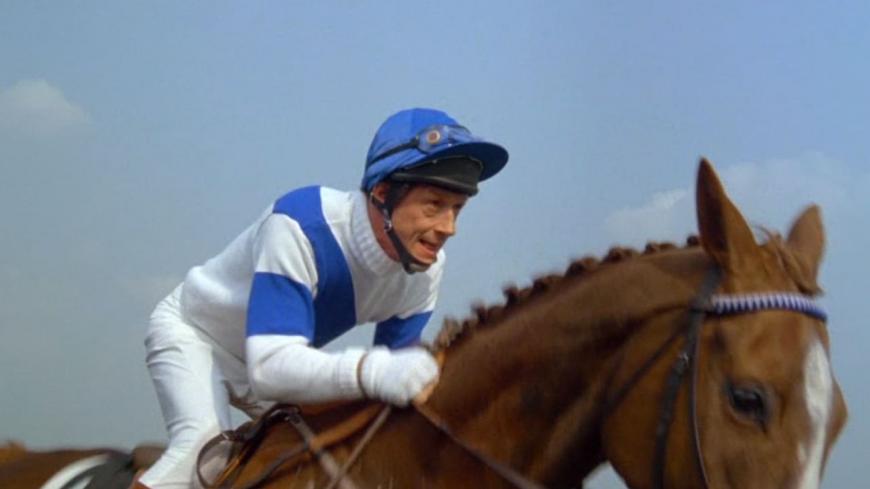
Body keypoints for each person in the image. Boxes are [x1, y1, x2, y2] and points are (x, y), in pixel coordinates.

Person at [135, 108, 509, 488]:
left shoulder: (425, 271)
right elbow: (270, 370)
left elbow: (394, 380)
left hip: (272, 362)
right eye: (434, 205)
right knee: (204, 455)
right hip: (197, 337)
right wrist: (371, 370)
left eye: (457, 208)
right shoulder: (300, 224)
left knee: (329, 459)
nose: (449, 228)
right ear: (382, 193)